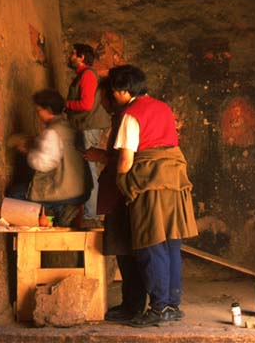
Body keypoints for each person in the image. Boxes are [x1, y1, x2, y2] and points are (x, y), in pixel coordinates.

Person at [108, 65, 198, 327]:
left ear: (123, 91)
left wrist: (122, 182)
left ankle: (159, 309)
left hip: (150, 184)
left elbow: (126, 159)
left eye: (114, 92)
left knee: (150, 244)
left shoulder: (130, 114)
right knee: (171, 244)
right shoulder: (163, 108)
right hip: (175, 181)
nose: (114, 97)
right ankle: (173, 306)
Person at [83, 75, 146, 322]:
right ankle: (130, 303)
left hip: (122, 194)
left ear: (115, 95)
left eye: (103, 98)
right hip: (116, 192)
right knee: (124, 251)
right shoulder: (119, 118)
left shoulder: (127, 118)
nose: (102, 103)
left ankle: (134, 306)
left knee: (128, 251)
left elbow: (126, 159)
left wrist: (102, 156)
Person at [10, 89, 92, 225]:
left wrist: (28, 152)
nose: (38, 115)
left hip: (65, 191)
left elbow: (44, 163)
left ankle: (44, 223)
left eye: (39, 111)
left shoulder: (53, 132)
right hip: (82, 190)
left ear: (47, 110)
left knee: (14, 194)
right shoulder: (70, 128)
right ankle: (61, 211)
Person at [66, 43, 111, 219]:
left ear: (81, 57)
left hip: (88, 126)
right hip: (85, 126)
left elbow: (86, 104)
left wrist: (66, 104)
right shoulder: (83, 75)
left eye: (73, 53)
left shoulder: (87, 75)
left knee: (89, 169)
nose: (70, 56)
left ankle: (91, 215)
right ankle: (89, 213)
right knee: (85, 169)